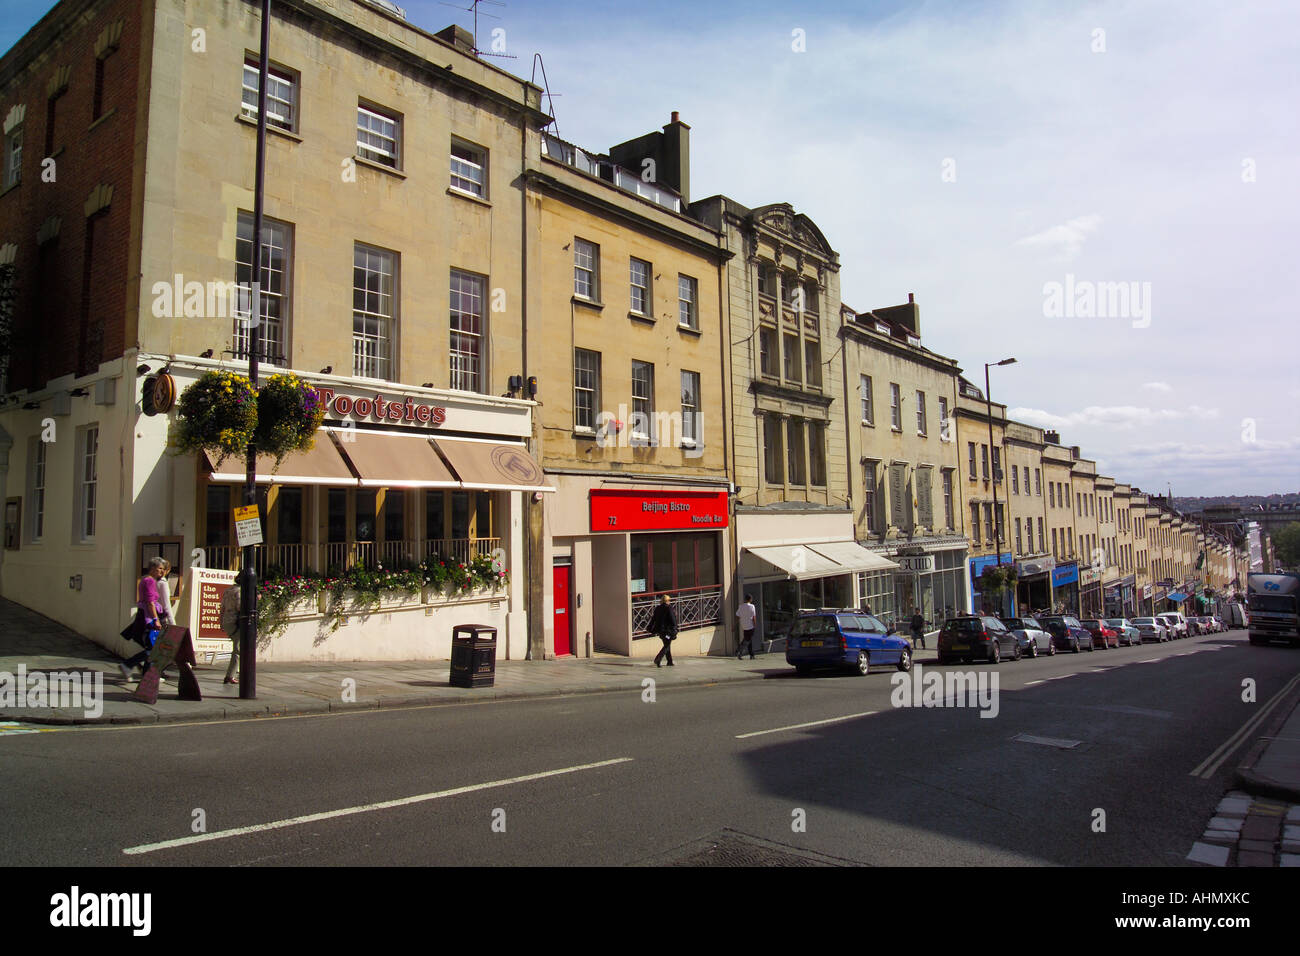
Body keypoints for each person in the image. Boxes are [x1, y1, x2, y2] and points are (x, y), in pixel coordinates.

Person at [118, 558, 165, 682]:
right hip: (148, 617)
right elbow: (150, 602)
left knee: (152, 647)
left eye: (163, 568)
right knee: (152, 648)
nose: (162, 571)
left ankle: (147, 674)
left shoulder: (146, 580)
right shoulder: (149, 581)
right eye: (160, 568)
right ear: (152, 568)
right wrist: (156, 619)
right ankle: (128, 664)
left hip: (144, 615)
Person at [219, 570, 245, 685]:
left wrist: (221, 622)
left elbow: (222, 608)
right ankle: (230, 675)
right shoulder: (240, 591)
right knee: (238, 649)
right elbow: (240, 608)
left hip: (227, 621)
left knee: (238, 648)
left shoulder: (228, 590)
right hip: (236, 622)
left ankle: (234, 673)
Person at [649, 594, 677, 667]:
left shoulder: (658, 608)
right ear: (667, 601)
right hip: (668, 632)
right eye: (669, 600)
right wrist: (675, 629)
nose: (670, 602)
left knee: (667, 644)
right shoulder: (669, 608)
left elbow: (653, 619)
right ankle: (658, 659)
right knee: (667, 645)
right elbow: (673, 619)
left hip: (660, 631)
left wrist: (650, 628)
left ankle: (669, 661)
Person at [736, 594, 757, 660]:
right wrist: (755, 624)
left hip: (744, 625)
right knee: (747, 640)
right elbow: (754, 617)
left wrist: (735, 624)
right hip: (750, 626)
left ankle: (752, 655)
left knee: (748, 639)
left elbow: (738, 615)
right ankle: (739, 651)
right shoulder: (752, 606)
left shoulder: (741, 606)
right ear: (750, 599)